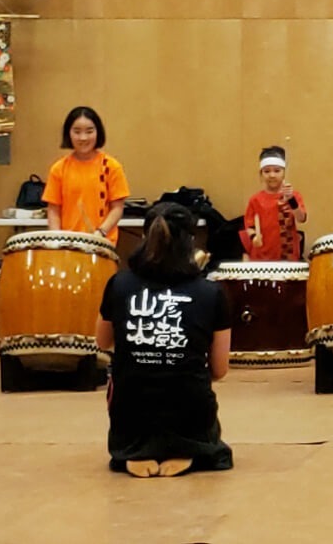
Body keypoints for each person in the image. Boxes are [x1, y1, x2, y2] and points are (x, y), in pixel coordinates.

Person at [96, 202, 233, 478]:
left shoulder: (119, 284)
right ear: (191, 242)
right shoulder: (211, 292)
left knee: (127, 380)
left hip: (130, 416)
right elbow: (219, 370)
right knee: (189, 390)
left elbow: (101, 342)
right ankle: (186, 446)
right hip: (191, 411)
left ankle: (136, 448)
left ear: (145, 238)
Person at [42, 106, 130, 245]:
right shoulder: (59, 168)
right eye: (77, 132)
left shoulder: (112, 166)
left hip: (102, 243)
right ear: (68, 133)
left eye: (89, 131)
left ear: (98, 132)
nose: (83, 137)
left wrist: (100, 233)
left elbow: (117, 208)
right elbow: (53, 210)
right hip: (68, 245)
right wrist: (56, 239)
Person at [239, 146, 307, 261]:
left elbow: (301, 218)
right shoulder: (255, 200)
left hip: (288, 256)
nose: (272, 175)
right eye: (267, 171)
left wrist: (291, 199)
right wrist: (254, 237)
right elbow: (249, 226)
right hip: (261, 257)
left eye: (277, 171)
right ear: (261, 173)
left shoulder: (293, 195)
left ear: (284, 172)